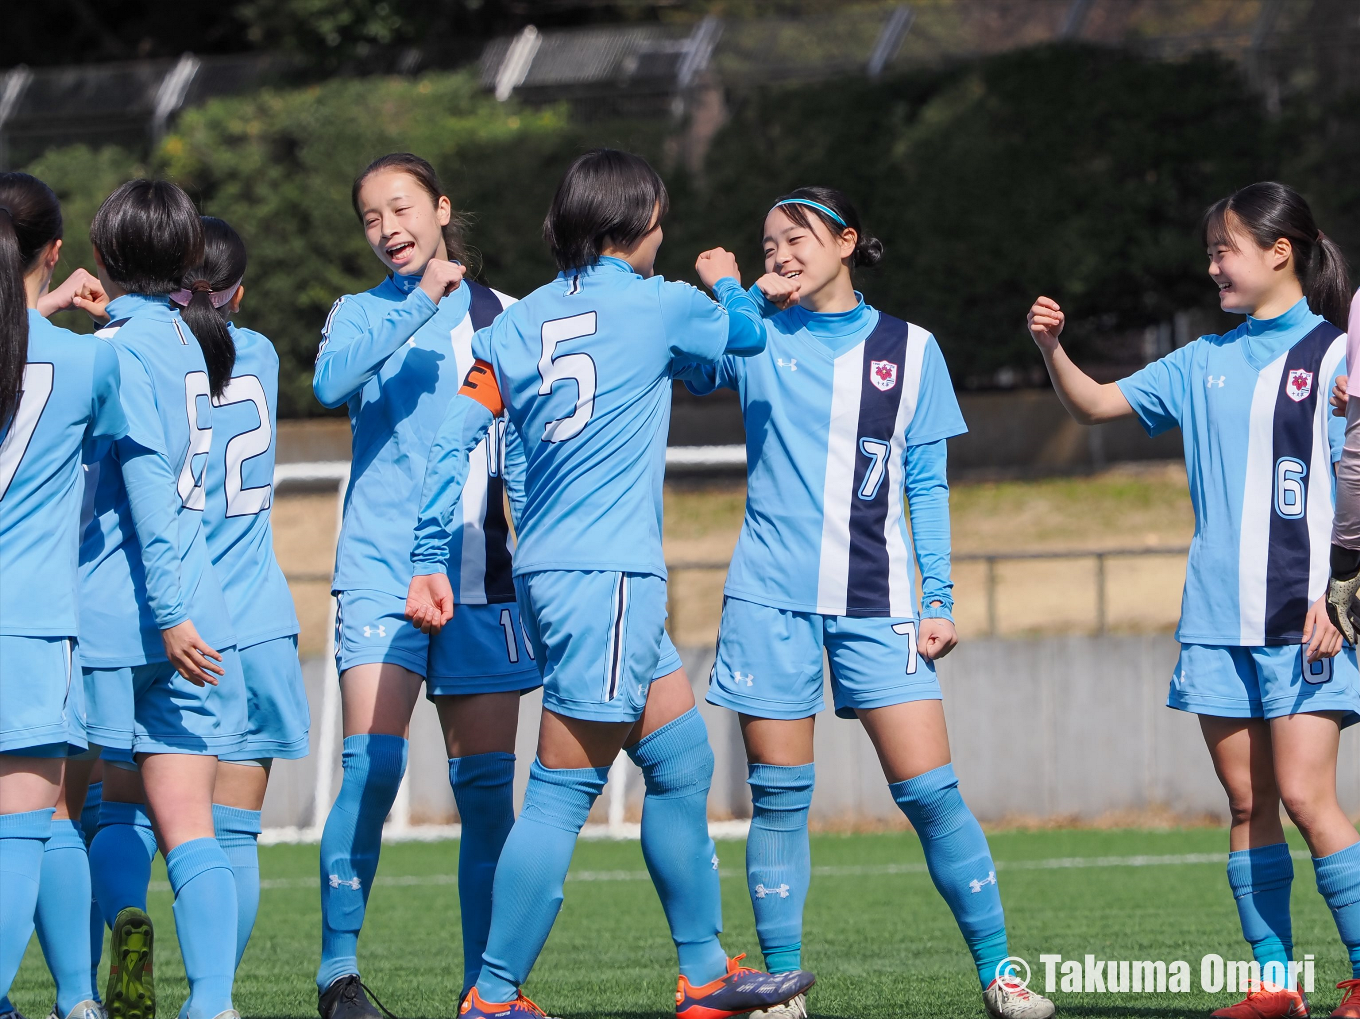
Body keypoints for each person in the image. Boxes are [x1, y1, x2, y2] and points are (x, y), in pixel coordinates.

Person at [407, 148, 815, 1019]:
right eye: (660, 220)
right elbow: (740, 338)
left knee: (680, 759)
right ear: (633, 227)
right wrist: (729, 279)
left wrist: (423, 557)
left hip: (551, 575)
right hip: (610, 579)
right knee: (562, 788)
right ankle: (492, 996)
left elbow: (453, 441)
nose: (665, 236)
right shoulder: (664, 300)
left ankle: (704, 976)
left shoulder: (515, 324)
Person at [677, 186, 1054, 1019]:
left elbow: (927, 481)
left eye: (797, 238)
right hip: (768, 598)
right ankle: (782, 989)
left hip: (877, 599)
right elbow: (694, 366)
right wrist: (731, 293)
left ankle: (1000, 972)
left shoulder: (913, 349)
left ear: (846, 242)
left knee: (930, 792)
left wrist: (941, 597)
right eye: (768, 242)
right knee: (780, 796)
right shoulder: (752, 331)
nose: (780, 253)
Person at [1027, 181, 1358, 1019]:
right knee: (1249, 803)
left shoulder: (1337, 356)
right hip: (1216, 622)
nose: (1212, 264)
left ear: (1279, 252)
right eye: (1211, 249)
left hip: (1308, 618)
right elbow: (1097, 403)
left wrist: (1342, 595)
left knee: (1311, 799)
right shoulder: (1201, 360)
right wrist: (1054, 350)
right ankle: (1275, 985)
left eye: (1226, 248)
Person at [311, 153, 540, 1017]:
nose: (386, 229)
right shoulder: (359, 312)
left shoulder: (511, 317)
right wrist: (417, 304)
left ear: (443, 208)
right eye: (370, 218)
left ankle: (489, 991)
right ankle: (338, 974)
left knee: (486, 794)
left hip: (481, 581)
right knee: (371, 768)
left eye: (399, 209)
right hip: (379, 574)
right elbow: (330, 383)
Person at [79, 179, 248, 1019]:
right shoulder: (198, 338)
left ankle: (110, 952)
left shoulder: (110, 349)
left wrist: (168, 612)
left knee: (105, 811)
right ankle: (213, 1001)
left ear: (104, 259)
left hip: (127, 613)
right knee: (192, 825)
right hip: (201, 613)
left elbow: (143, 485)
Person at [0, 171, 125, 1019]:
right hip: (30, 624)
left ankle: (79, 1000)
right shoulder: (88, 360)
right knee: (26, 825)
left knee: (32, 828)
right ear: (54, 251)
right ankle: (67, 996)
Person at [181, 216, 311, 969]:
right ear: (241, 291)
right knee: (233, 833)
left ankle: (90, 989)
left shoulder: (151, 357)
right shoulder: (258, 352)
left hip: (178, 623)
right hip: (258, 620)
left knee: (122, 819)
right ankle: (216, 995)